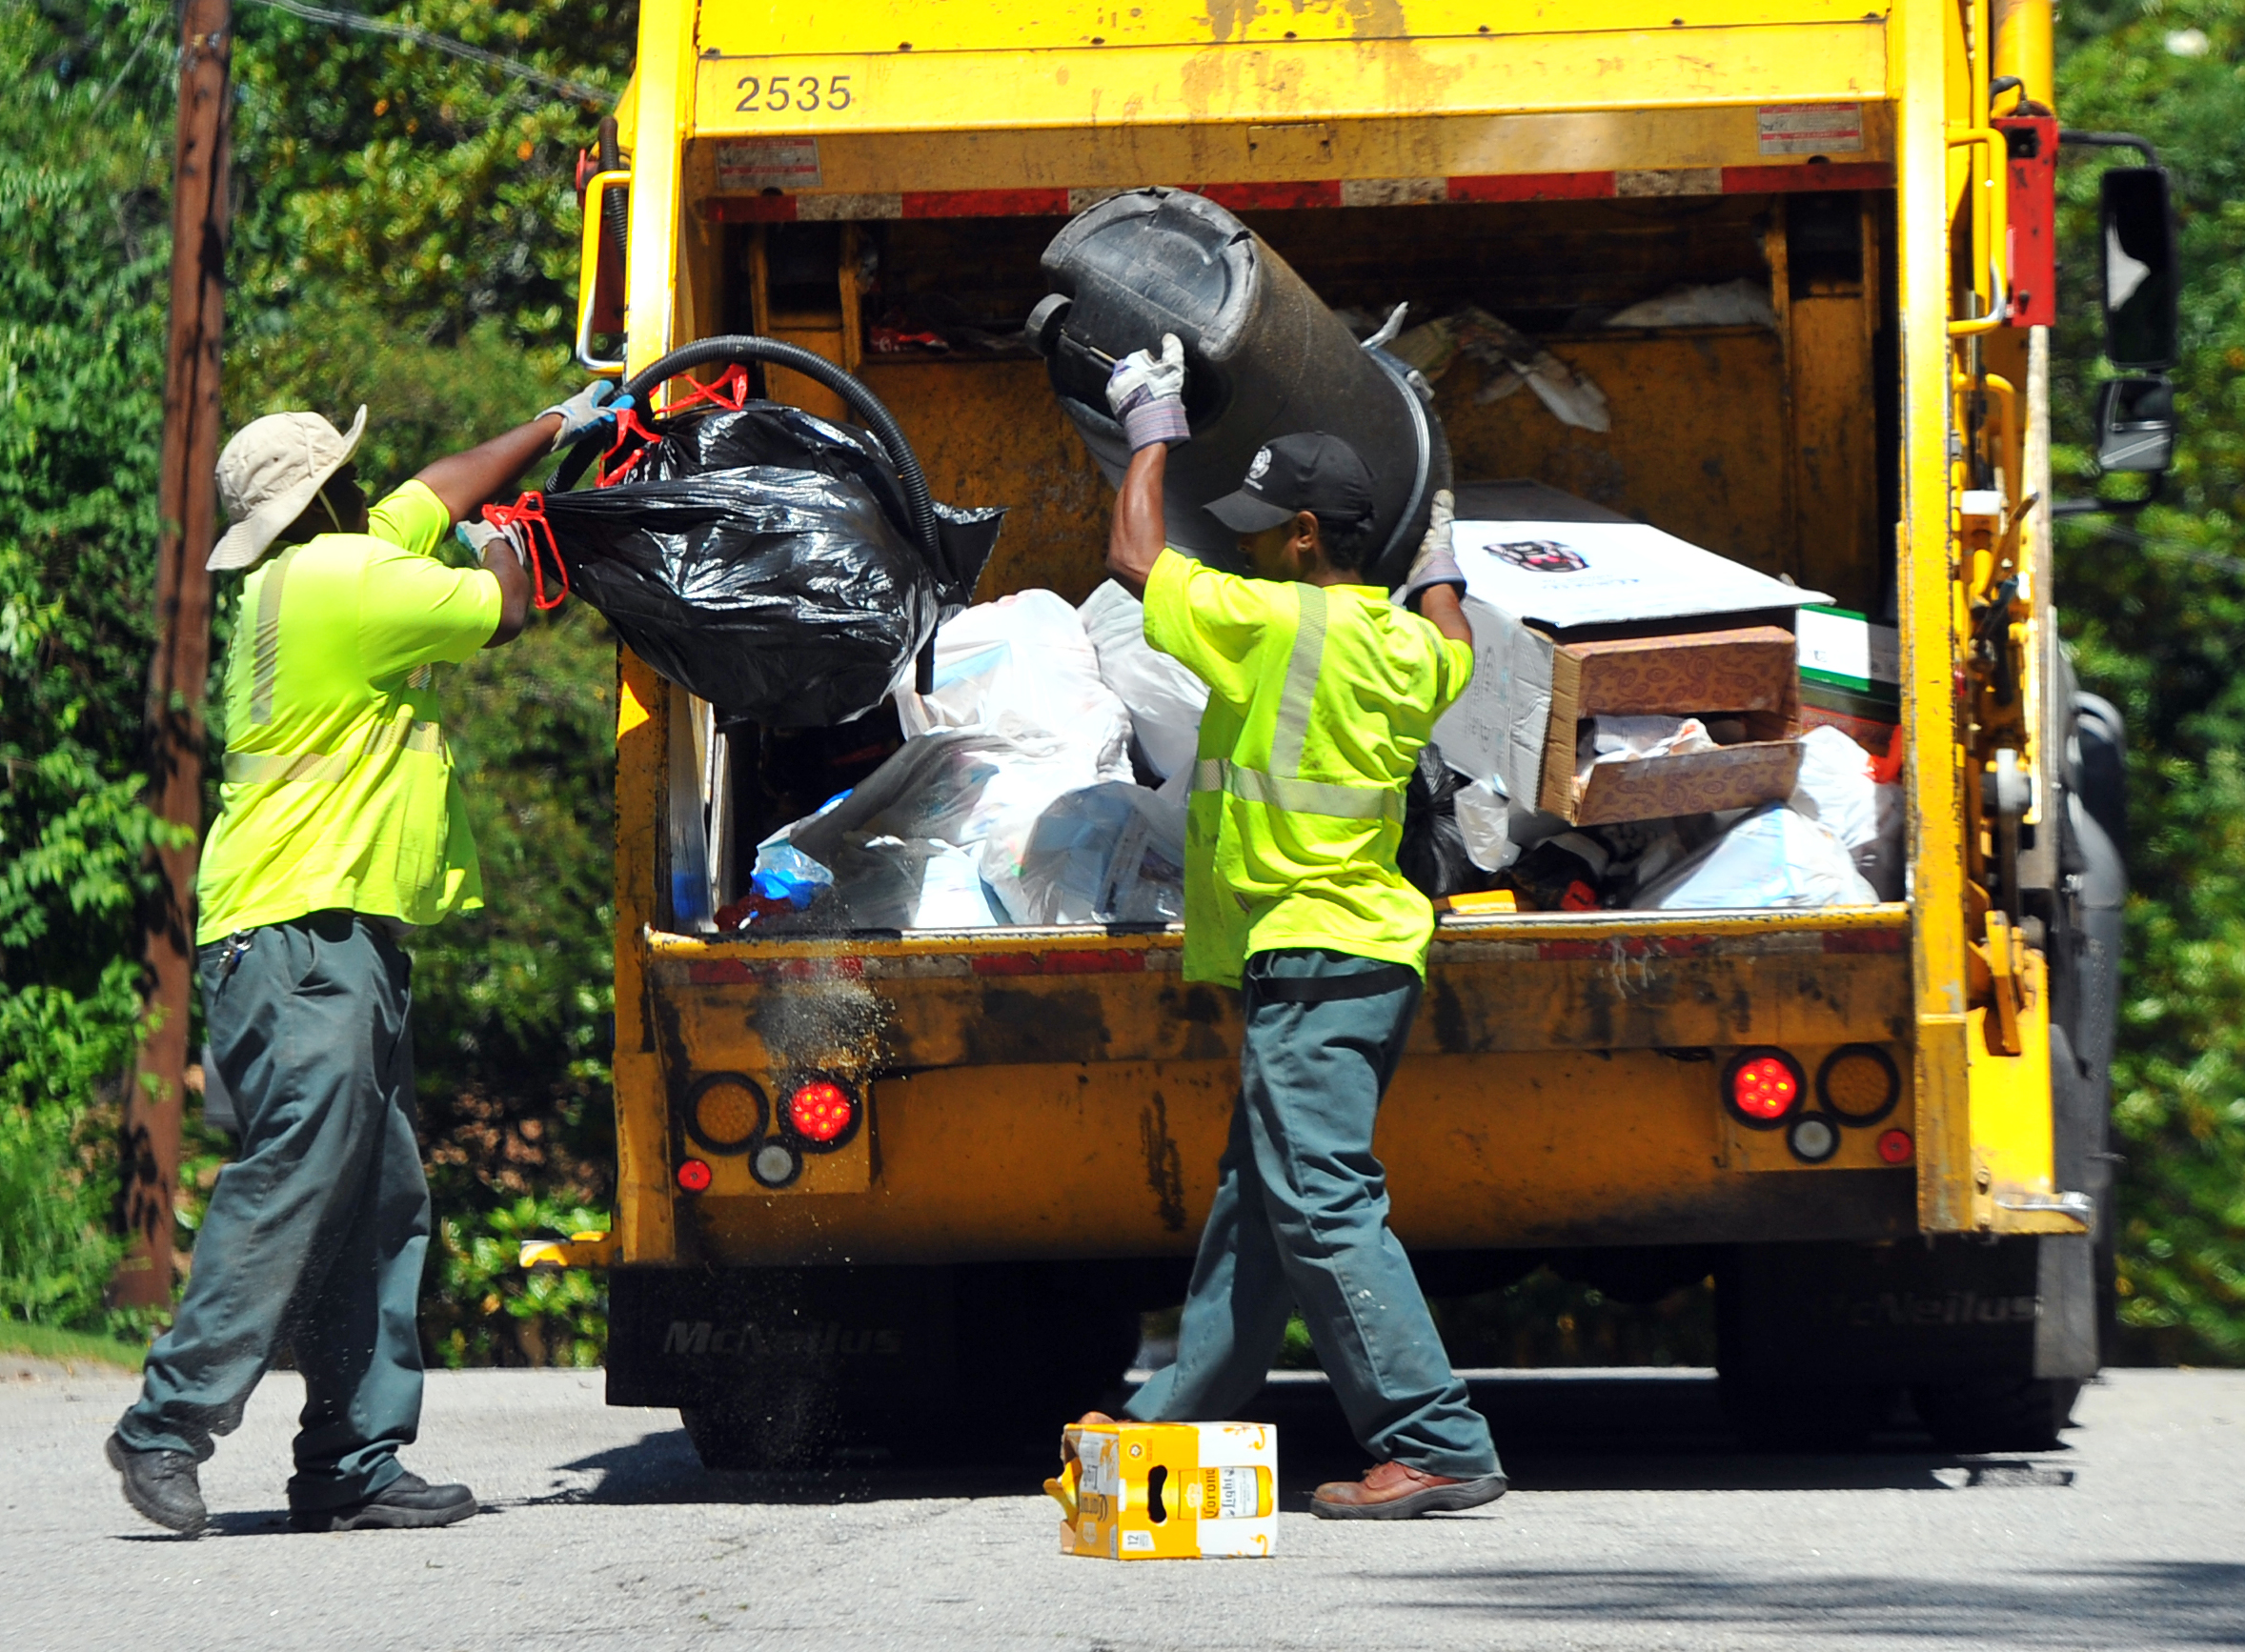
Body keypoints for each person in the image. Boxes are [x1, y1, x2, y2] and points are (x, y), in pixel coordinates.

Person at [106, 384, 625, 1537]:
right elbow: (505, 597)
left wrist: (550, 424)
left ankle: (350, 1463)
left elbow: (434, 492)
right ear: (329, 491)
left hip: (328, 935)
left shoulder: (307, 571)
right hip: (300, 935)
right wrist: (579, 507)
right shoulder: (343, 583)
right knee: (300, 1170)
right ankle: (168, 1423)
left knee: (380, 1201)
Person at [1082, 334, 1505, 1520]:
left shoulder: (1269, 624)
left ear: (1309, 534)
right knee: (1263, 1196)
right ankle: (1175, 1420)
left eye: (1272, 521)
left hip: (1315, 950)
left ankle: (1437, 1439)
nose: (1258, 537)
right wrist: (1439, 565)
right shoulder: (1414, 650)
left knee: (1317, 1198)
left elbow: (1132, 558)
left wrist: (1150, 430)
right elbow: (1459, 645)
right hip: (1362, 948)